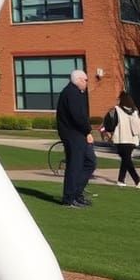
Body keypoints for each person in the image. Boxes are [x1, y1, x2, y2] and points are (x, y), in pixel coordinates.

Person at [55, 69, 96, 208]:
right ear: (78, 79)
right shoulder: (71, 93)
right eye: (85, 80)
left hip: (77, 134)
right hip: (73, 135)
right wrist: (88, 131)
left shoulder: (75, 93)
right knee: (75, 165)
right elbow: (78, 116)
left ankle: (77, 193)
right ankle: (69, 198)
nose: (86, 83)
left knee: (89, 162)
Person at [106, 92, 140, 188]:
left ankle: (135, 179)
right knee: (126, 159)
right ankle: (123, 180)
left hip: (121, 138)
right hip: (132, 139)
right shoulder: (134, 111)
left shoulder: (116, 110)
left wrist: (109, 133)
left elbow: (110, 124)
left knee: (126, 159)